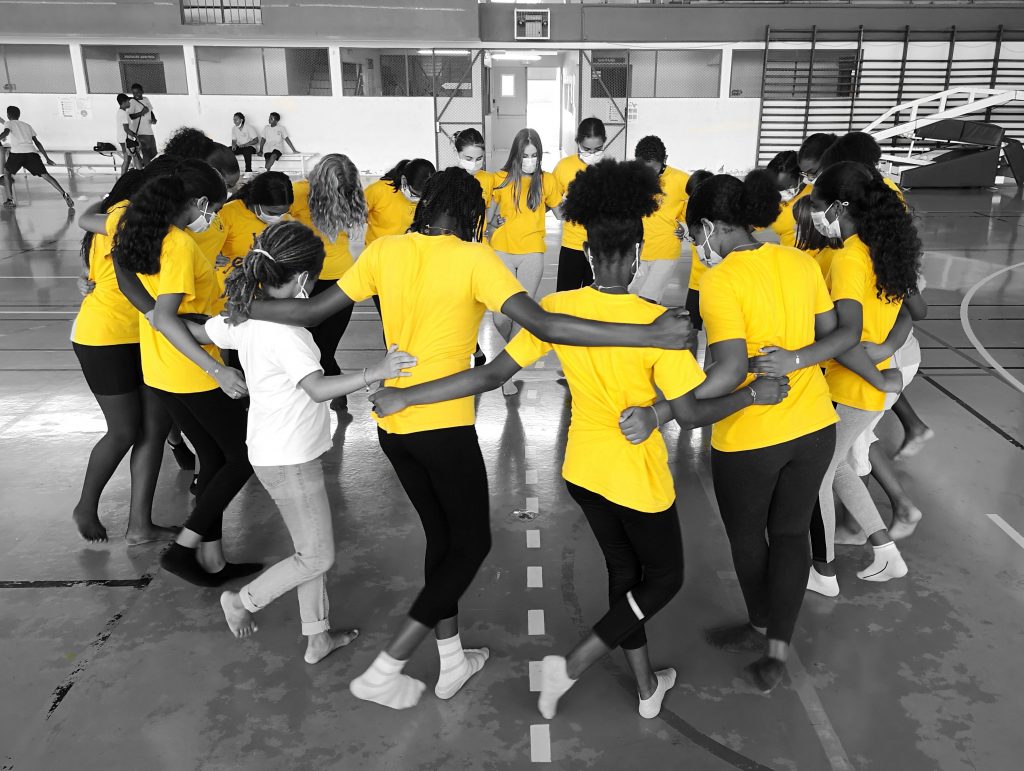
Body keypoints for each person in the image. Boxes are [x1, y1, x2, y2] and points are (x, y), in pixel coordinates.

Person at [236, 166, 693, 711]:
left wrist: (240, 303)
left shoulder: (384, 251)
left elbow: (309, 311)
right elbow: (545, 328)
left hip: (393, 424)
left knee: (442, 542)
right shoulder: (476, 259)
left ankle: (451, 658)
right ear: (473, 216)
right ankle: (392, 664)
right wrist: (646, 333)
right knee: (470, 545)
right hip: (443, 427)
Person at [371, 159, 789, 718]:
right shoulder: (660, 325)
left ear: (587, 253)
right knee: (663, 578)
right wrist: (753, 394)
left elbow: (491, 375)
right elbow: (690, 415)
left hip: (583, 472)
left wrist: (408, 396)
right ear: (637, 256)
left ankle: (646, 687)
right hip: (637, 477)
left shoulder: (558, 309)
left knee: (624, 575)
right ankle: (569, 667)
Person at [627, 170, 860, 693]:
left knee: (749, 538)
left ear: (711, 225)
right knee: (791, 533)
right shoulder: (799, 261)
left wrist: (666, 407)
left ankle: (759, 624)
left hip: (753, 437)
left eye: (695, 234)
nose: (697, 246)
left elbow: (731, 371)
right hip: (814, 425)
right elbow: (836, 336)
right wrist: (793, 360)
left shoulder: (721, 281)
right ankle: (777, 650)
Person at [181, 221, 414, 662]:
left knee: (309, 548)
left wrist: (158, 311)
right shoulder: (287, 333)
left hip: (277, 450)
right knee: (317, 556)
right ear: (305, 279)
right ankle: (242, 601)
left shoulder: (246, 316)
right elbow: (318, 388)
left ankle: (317, 636)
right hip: (288, 458)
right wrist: (376, 372)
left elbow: (199, 332)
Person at [752, 161, 918, 594]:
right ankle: (885, 552)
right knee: (838, 466)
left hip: (850, 384)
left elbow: (846, 336)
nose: (814, 216)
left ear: (839, 207)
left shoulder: (848, 259)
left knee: (817, 480)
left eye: (817, 206)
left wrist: (796, 359)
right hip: (864, 383)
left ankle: (824, 573)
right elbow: (908, 311)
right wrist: (885, 353)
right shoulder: (882, 248)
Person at [107, 159, 261, 587]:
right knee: (245, 454)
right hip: (193, 371)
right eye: (214, 208)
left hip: (162, 368)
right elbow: (167, 315)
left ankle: (212, 559)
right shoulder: (177, 245)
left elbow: (131, 285)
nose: (213, 217)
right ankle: (183, 549)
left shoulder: (140, 230)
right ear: (199, 202)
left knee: (213, 457)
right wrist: (218, 371)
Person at [70, 169, 179, 545]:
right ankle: (85, 506)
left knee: (154, 429)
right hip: (105, 337)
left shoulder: (130, 216)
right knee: (123, 430)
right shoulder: (126, 216)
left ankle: (140, 525)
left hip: (148, 334)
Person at [289, 154, 368, 403]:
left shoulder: (351, 193)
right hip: (305, 281)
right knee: (308, 348)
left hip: (341, 282)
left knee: (325, 347)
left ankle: (333, 389)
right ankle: (335, 386)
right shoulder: (298, 192)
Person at [487, 128, 562, 395]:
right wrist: (493, 224)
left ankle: (506, 374)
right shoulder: (500, 179)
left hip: (532, 253)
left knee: (520, 317)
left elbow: (562, 213)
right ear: (516, 155)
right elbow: (488, 221)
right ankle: (511, 357)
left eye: (534, 155)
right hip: (502, 251)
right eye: (525, 155)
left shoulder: (547, 181)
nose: (530, 160)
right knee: (499, 318)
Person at [629, 135, 689, 304]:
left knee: (648, 300)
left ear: (664, 160)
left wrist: (685, 228)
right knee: (632, 297)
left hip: (665, 250)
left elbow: (695, 210)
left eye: (652, 170)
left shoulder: (681, 180)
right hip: (640, 250)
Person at [452, 128, 491, 367]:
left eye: (479, 158)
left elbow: (490, 214)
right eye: (468, 158)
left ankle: (474, 349)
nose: (474, 163)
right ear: (457, 154)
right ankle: (471, 351)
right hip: (454, 252)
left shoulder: (488, 180)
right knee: (457, 308)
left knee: (473, 308)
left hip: (479, 252)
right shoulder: (448, 181)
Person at [553, 117, 607, 290]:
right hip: (572, 245)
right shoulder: (564, 167)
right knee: (565, 297)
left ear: (604, 142)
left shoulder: (611, 168)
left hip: (601, 248)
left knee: (594, 298)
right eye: (586, 149)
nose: (592, 154)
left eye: (597, 149)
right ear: (577, 143)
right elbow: (550, 201)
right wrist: (563, 205)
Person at [219, 171, 294, 288]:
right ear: (256, 202)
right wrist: (210, 256)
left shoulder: (287, 219)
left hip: (267, 291)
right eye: (272, 213)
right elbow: (202, 250)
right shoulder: (226, 214)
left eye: (284, 212)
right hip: (230, 290)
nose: (278, 218)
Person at [767, 134, 835, 247]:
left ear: (798, 176)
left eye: (787, 186)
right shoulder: (773, 200)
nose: (783, 192)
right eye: (778, 188)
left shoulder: (819, 192)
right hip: (790, 256)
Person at [1, 105, 74, 209]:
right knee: (45, 175)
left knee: (7, 172)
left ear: (8, 115)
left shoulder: (9, 123)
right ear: (19, 115)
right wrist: (47, 158)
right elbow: (37, 143)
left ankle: (10, 200)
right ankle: (64, 194)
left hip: (17, 153)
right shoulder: (27, 126)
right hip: (32, 153)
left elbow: (6, 132)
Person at [364, 158, 435, 245]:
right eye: (414, 194)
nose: (418, 200)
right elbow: (357, 212)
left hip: (406, 250)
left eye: (422, 197)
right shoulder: (378, 190)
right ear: (404, 181)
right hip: (377, 250)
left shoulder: (430, 198)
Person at [680, 169, 713, 335]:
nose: (691, 200)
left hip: (716, 283)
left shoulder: (722, 215)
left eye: (694, 196)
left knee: (715, 330)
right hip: (696, 282)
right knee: (690, 329)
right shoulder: (692, 213)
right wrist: (684, 232)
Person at [128, 83, 158, 166]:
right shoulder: (132, 102)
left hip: (148, 130)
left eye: (138, 92)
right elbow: (131, 116)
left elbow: (150, 110)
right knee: (146, 151)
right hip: (140, 131)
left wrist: (153, 118)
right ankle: (147, 169)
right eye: (134, 93)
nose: (136, 95)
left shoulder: (146, 99)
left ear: (142, 91)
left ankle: (143, 164)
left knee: (154, 152)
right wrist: (141, 112)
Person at [114, 94, 137, 176]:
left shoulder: (121, 112)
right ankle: (122, 178)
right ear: (124, 102)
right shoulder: (123, 113)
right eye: (128, 102)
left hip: (124, 138)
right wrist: (136, 136)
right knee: (127, 159)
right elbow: (126, 129)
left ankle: (123, 177)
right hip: (125, 139)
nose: (129, 103)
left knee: (128, 158)